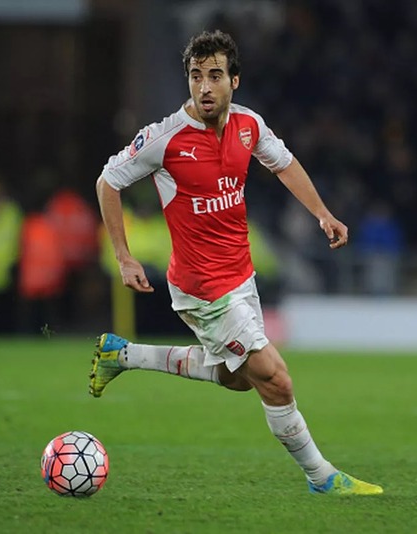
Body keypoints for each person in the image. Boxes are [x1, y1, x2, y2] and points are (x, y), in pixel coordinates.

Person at [90, 30, 382, 496]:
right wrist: (123, 258)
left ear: (234, 81)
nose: (204, 87)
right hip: (202, 288)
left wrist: (323, 214)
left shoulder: (249, 126)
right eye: (195, 76)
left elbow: (284, 164)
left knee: (238, 378)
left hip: (240, 279)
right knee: (276, 379)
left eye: (215, 75)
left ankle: (123, 354)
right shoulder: (163, 138)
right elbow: (108, 181)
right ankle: (322, 476)